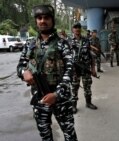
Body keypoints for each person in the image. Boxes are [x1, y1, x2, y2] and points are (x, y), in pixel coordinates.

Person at [16, 4, 78, 141]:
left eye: (46, 18)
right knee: (45, 135)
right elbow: (20, 65)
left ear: (52, 20)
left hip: (60, 98)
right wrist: (23, 72)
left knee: (69, 134)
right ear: (36, 21)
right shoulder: (30, 44)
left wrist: (56, 94)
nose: (42, 21)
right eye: (39, 18)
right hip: (40, 97)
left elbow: (70, 70)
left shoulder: (63, 43)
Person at [70, 22, 98, 113]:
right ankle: (73, 105)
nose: (77, 29)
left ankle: (88, 103)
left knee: (87, 86)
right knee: (74, 87)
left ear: (80, 29)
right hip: (74, 69)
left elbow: (91, 55)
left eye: (78, 27)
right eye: (75, 27)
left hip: (85, 68)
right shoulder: (69, 41)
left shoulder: (86, 40)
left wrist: (93, 68)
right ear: (72, 30)